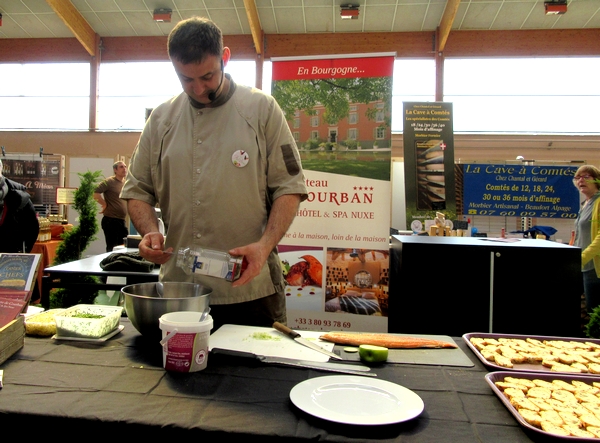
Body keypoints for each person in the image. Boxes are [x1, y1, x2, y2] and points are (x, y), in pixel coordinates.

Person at [121, 17, 307, 330]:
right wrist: (149, 230)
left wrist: (264, 246)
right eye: (186, 79)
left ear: (225, 57)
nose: (198, 88)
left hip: (249, 292)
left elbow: (290, 187)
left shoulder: (262, 110)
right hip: (180, 294)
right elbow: (137, 189)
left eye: (207, 76)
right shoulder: (161, 120)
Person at [572, 165, 600, 313]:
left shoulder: (599, 202)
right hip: (582, 265)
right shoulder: (585, 204)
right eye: (578, 178)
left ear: (597, 180)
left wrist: (582, 258)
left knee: (594, 311)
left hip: (594, 268)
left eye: (586, 177)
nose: (581, 180)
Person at [0, 158, 40, 253]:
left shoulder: (19, 197)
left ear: (1, 169)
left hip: (10, 258)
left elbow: (32, 228)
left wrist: (22, 252)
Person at [94, 161, 128, 252]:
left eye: (125, 166)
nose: (124, 169)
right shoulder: (109, 181)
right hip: (111, 220)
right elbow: (95, 193)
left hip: (121, 220)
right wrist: (104, 204)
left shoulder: (125, 183)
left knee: (124, 246)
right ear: (115, 170)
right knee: (112, 247)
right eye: (121, 167)